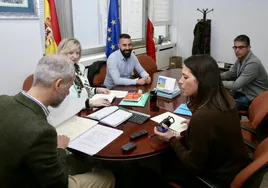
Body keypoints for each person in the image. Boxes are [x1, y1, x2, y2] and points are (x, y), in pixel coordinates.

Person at [0, 55, 115, 188]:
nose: (67, 94)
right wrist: (60, 148)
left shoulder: (2, 100)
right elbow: (58, 184)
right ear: (59, 84)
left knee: (84, 161)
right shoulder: (42, 131)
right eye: (68, 87)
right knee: (107, 177)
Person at [154, 55, 250, 187]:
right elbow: (213, 127)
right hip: (233, 166)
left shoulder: (203, 117)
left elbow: (193, 165)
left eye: (186, 77)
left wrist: (171, 138)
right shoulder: (226, 99)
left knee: (160, 168)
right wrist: (194, 124)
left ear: (202, 80)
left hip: (217, 177)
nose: (180, 81)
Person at [57, 38, 111, 108]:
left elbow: (84, 89)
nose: (75, 56)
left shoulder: (79, 67)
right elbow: (64, 103)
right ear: (63, 52)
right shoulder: (58, 72)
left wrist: (96, 90)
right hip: (72, 112)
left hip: (86, 107)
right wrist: (90, 103)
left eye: (77, 53)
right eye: (71, 53)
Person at [221, 34, 268, 110]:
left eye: (241, 47)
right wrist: (216, 76)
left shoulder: (253, 63)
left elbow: (236, 85)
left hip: (255, 97)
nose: (237, 50)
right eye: (235, 47)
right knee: (221, 98)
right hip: (245, 92)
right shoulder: (240, 59)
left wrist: (217, 82)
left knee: (224, 107)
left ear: (248, 48)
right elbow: (231, 73)